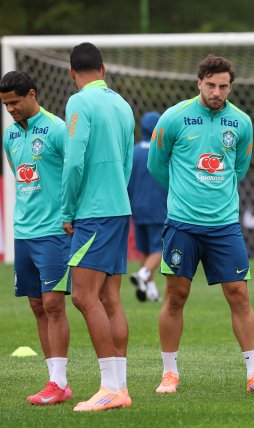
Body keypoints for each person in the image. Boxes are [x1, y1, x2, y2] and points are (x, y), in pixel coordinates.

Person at [147, 55, 254, 395]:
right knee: (176, 297)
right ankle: (169, 374)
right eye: (211, 85)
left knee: (240, 296)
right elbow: (156, 165)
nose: (217, 92)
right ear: (199, 83)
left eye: (223, 86)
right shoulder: (174, 117)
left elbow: (240, 168)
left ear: (231, 87)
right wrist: (183, 195)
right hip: (182, 226)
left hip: (224, 227)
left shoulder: (242, 122)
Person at [61, 42, 135, 412]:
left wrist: (67, 208)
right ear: (103, 70)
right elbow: (127, 162)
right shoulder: (122, 104)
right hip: (119, 209)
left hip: (94, 211)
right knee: (109, 297)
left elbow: (74, 162)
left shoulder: (78, 103)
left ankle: (108, 387)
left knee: (82, 297)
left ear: (72, 72)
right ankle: (120, 388)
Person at [1, 71, 72, 406]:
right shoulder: (9, 136)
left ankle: (59, 383)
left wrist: (69, 214)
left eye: (15, 102)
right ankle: (53, 380)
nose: (10, 109)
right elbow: (22, 179)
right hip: (24, 233)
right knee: (35, 305)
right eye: (5, 104)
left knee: (54, 303)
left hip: (53, 233)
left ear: (31, 94)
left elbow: (75, 174)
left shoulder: (57, 129)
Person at [127, 111, 165, 303]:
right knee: (160, 248)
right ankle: (142, 275)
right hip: (158, 207)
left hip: (137, 208)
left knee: (145, 250)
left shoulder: (133, 152)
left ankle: (150, 290)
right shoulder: (162, 151)